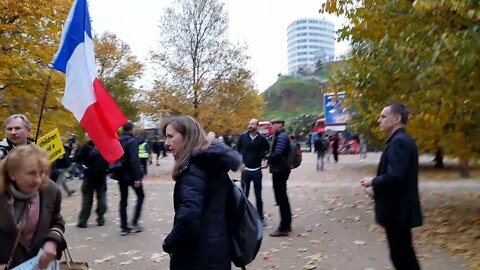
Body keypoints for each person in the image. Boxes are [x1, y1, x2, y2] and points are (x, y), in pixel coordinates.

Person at [162, 116, 241, 270]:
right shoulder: (211, 163)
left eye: (170, 136)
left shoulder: (194, 169)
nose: (166, 143)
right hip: (217, 250)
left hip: (197, 257)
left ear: (187, 137)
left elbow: (188, 217)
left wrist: (169, 243)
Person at [360, 103, 423, 270]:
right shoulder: (401, 140)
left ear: (396, 119)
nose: (379, 120)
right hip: (399, 210)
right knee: (404, 254)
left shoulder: (399, 142)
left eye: (383, 116)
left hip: (398, 211)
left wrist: (372, 181)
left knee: (401, 257)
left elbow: (395, 177)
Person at [0, 145, 66, 269]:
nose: (38, 180)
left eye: (41, 173)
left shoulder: (50, 191)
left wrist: (52, 241)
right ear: (12, 174)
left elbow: (57, 222)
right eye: (31, 173)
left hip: (38, 264)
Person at [236, 118, 270, 226]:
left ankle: (260, 217)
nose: (250, 125)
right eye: (249, 123)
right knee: (243, 195)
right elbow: (236, 151)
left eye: (253, 124)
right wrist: (239, 164)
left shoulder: (262, 139)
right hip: (245, 171)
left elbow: (269, 150)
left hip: (257, 171)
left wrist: (267, 162)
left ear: (257, 126)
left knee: (258, 195)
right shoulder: (242, 137)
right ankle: (243, 217)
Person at [74, 134, 109, 228]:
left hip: (88, 177)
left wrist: (76, 149)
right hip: (101, 177)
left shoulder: (84, 147)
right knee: (101, 197)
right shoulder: (103, 146)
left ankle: (83, 220)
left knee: (87, 199)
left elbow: (76, 159)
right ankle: (100, 218)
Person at [118, 122, 145, 236]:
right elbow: (134, 160)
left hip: (120, 174)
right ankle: (134, 222)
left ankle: (124, 226)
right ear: (131, 129)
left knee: (123, 199)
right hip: (131, 175)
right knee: (140, 196)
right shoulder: (132, 141)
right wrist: (137, 178)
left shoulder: (118, 141)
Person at [267, 118, 292, 237]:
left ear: (280, 125)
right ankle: (287, 224)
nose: (271, 126)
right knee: (283, 197)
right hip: (280, 169)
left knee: (281, 198)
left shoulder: (281, 136)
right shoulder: (280, 135)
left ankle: (283, 228)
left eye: (273, 124)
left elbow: (279, 152)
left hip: (280, 170)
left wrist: (268, 158)